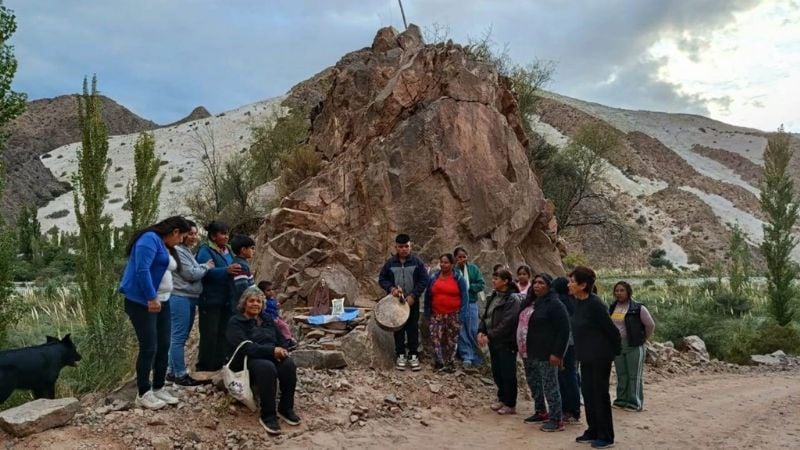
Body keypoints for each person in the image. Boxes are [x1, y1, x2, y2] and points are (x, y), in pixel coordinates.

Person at [119, 216, 191, 410]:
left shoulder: (164, 244)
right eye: (182, 236)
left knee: (163, 344)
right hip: (143, 303)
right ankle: (143, 392)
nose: (182, 241)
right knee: (149, 346)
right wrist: (151, 297)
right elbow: (142, 270)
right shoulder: (149, 239)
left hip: (163, 301)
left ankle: (158, 387)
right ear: (175, 231)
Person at [227, 286, 300, 436]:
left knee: (288, 365)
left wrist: (282, 350)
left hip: (272, 354)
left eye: (259, 301)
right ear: (244, 303)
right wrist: (271, 351)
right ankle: (268, 414)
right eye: (251, 301)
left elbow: (281, 338)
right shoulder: (236, 321)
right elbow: (245, 347)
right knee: (267, 368)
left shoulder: (267, 319)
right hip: (249, 359)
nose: (255, 304)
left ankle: (285, 408)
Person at [570, 266, 621, 449]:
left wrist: (613, 352)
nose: (570, 284)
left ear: (583, 285)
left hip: (600, 356)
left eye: (573, 281)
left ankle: (606, 436)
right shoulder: (578, 302)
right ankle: (593, 430)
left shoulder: (596, 304)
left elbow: (611, 331)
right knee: (588, 394)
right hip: (586, 356)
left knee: (600, 395)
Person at [518, 273, 570, 432]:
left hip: (547, 352)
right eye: (535, 283)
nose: (536, 285)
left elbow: (564, 330)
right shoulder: (532, 303)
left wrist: (557, 353)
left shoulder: (555, 304)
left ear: (548, 286)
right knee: (534, 383)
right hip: (529, 351)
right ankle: (541, 411)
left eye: (541, 283)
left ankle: (556, 419)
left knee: (550, 386)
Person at [167, 219, 214, 387]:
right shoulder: (178, 251)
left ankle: (172, 371)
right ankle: (179, 373)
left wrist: (200, 267)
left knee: (179, 336)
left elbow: (193, 269)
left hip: (187, 297)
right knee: (178, 337)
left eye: (195, 233)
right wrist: (206, 267)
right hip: (180, 296)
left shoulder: (185, 251)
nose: (193, 237)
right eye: (190, 233)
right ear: (182, 233)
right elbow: (190, 274)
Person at [378, 233, 429, 371]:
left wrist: (414, 295)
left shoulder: (417, 262)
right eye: (401, 247)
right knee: (398, 328)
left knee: (413, 327)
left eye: (406, 246)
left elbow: (424, 280)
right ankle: (400, 354)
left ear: (410, 246)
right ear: (396, 247)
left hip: (412, 301)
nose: (404, 249)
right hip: (396, 302)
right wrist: (392, 289)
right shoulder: (390, 263)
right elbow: (382, 279)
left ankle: (413, 355)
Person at [196, 221, 242, 372]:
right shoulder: (205, 250)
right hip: (210, 299)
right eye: (223, 234)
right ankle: (205, 367)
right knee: (210, 333)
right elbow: (204, 272)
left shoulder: (228, 249)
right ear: (213, 236)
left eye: (227, 233)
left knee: (224, 331)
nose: (226, 237)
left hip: (227, 299)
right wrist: (225, 271)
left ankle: (220, 363)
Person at [478, 269, 521, 415]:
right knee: (497, 371)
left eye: (497, 278)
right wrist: (481, 331)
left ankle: (510, 403)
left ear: (505, 281)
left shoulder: (512, 299)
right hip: (493, 340)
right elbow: (486, 315)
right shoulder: (493, 296)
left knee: (508, 372)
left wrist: (490, 335)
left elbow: (508, 322)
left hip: (506, 341)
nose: (493, 281)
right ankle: (502, 398)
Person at [610, 281, 655, 412]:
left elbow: (650, 325)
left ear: (628, 292)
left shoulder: (638, 308)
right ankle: (621, 400)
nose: (619, 293)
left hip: (634, 345)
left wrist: (643, 339)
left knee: (634, 375)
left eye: (622, 290)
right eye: (617, 290)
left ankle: (634, 402)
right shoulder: (613, 307)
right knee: (621, 374)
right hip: (618, 345)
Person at [424, 253, 469, 372]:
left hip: (453, 314)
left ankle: (449, 362)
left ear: (452, 264)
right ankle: (439, 362)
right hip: (436, 314)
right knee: (435, 337)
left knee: (451, 339)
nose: (443, 265)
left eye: (446, 262)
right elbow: (428, 295)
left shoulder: (459, 279)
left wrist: (462, 316)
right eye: (442, 262)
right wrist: (427, 311)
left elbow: (465, 297)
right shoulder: (434, 277)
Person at [552, 276, 581, 423]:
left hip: (566, 345)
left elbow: (565, 328)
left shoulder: (561, 303)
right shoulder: (573, 302)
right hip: (574, 344)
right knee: (571, 375)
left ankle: (569, 409)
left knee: (565, 377)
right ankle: (573, 408)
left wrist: (559, 350)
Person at [453, 246, 486, 370]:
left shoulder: (473, 269)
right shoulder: (454, 271)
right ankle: (466, 355)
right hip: (458, 303)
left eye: (464, 257)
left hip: (471, 302)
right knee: (461, 330)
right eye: (459, 257)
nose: (462, 259)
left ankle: (477, 355)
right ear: (455, 258)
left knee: (473, 329)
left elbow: (481, 284)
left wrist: (468, 287)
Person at [258, 280, 297, 350]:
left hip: (276, 317)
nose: (271, 292)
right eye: (268, 290)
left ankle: (288, 340)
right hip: (270, 319)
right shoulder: (263, 301)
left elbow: (275, 308)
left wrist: (277, 307)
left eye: (272, 289)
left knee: (284, 326)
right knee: (276, 330)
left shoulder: (272, 299)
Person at [230, 234, 256, 309]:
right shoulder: (240, 265)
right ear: (243, 250)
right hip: (242, 306)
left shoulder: (243, 263)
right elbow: (242, 289)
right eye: (252, 248)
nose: (254, 251)